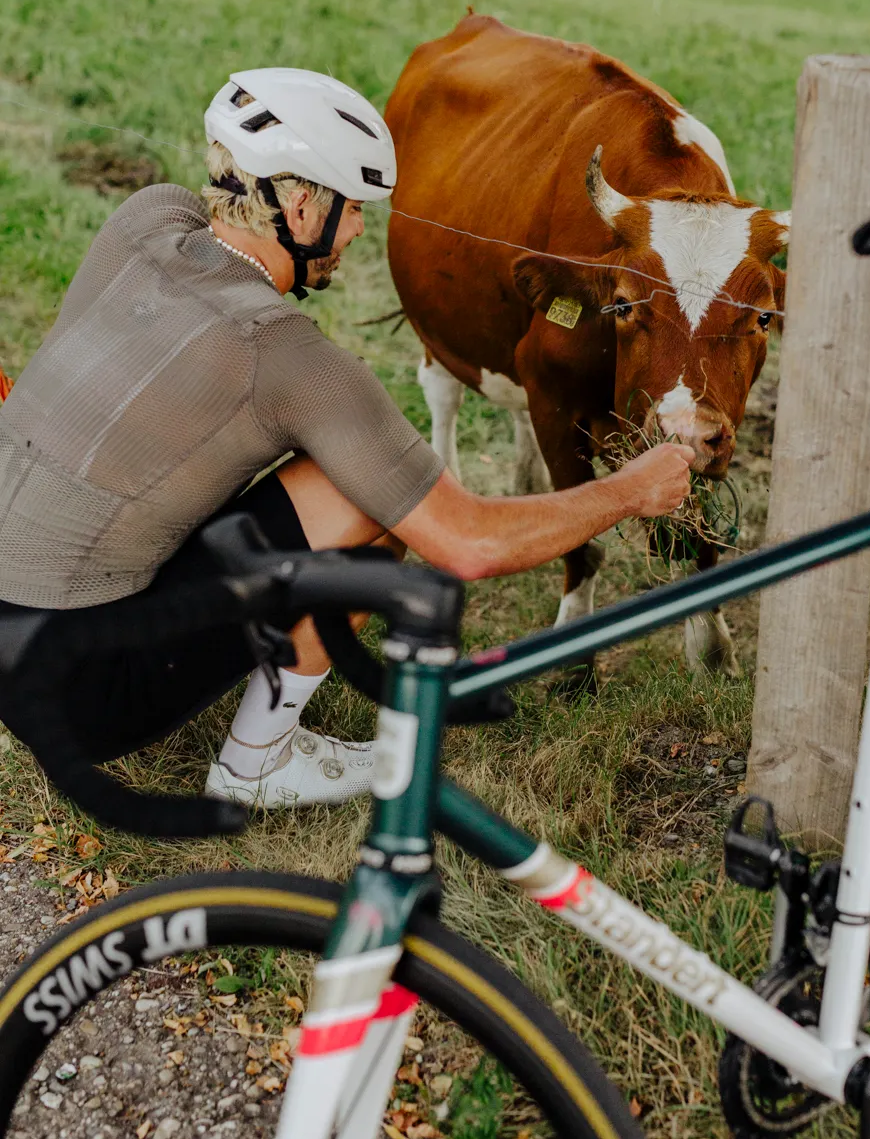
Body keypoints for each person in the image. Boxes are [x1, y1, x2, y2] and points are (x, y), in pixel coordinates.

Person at [0, 68, 693, 812]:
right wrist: (632, 489)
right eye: (353, 207)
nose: (360, 229)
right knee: (360, 496)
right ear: (300, 204)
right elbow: (469, 544)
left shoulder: (147, 221)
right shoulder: (288, 356)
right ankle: (257, 764)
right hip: (78, 694)